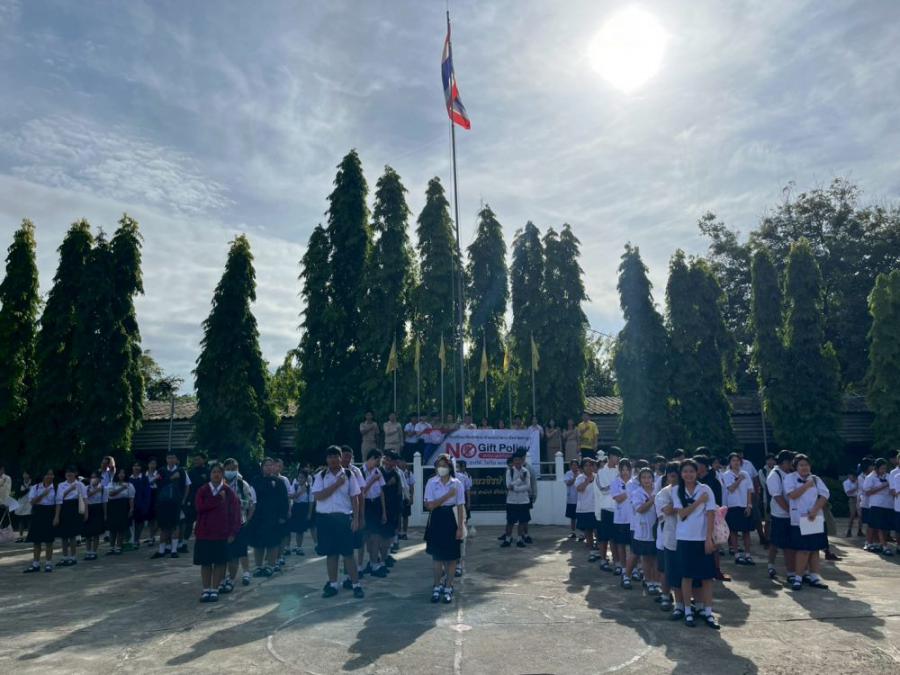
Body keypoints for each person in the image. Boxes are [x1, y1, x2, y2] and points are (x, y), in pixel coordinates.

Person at [671, 459, 720, 629]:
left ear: (696, 472)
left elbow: (711, 514)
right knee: (687, 576)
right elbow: (682, 514)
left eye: (691, 471)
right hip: (685, 538)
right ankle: (687, 611)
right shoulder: (677, 490)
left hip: (701, 539)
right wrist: (699, 501)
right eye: (685, 471)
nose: (688, 474)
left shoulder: (705, 489)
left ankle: (708, 612)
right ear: (681, 473)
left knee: (707, 577)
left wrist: (709, 538)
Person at [313, 445, 364, 599]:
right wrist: (336, 484)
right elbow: (318, 496)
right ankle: (333, 584)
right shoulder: (321, 476)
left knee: (348, 553)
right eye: (330, 457)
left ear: (341, 458)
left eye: (336, 456)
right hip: (325, 519)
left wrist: (356, 518)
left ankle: (356, 585)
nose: (333, 460)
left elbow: (355, 497)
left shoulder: (349, 474)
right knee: (331, 553)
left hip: (343, 518)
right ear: (326, 459)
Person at [194, 463, 242, 603]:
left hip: (222, 533)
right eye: (214, 472)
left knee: (220, 562)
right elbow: (199, 507)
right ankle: (206, 589)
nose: (216, 474)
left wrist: (233, 532)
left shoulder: (228, 491)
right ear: (210, 474)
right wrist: (218, 499)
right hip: (204, 532)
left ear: (222, 474)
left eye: (219, 472)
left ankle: (215, 589)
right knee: (206, 562)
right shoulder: (203, 490)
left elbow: (236, 514)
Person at [784, 454, 830, 590]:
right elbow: (792, 495)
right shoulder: (790, 478)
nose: (804, 467)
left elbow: (825, 494)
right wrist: (807, 485)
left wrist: (815, 510)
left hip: (814, 517)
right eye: (801, 465)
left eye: (806, 465)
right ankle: (798, 578)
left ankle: (814, 576)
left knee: (814, 548)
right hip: (799, 518)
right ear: (796, 467)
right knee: (803, 549)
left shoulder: (815, 478)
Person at [424, 454, 466, 603]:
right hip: (437, 519)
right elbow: (430, 506)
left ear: (450, 467)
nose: (441, 468)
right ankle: (437, 586)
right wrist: (447, 495)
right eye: (439, 465)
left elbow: (460, 506)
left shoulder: (457, 484)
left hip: (451, 519)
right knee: (437, 557)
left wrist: (460, 527)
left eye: (444, 465)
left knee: (452, 558)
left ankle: (448, 587)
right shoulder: (431, 482)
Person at [250, 458, 290, 577]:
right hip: (258, 517)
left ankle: (270, 566)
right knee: (258, 543)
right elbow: (251, 498)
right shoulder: (256, 480)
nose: (268, 467)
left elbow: (284, 500)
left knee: (272, 542)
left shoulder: (279, 482)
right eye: (266, 465)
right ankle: (258, 567)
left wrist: (283, 516)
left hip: (274, 517)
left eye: (270, 465)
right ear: (262, 467)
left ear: (274, 467)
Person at [694, 455, 729, 582]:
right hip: (696, 516)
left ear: (704, 466)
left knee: (713, 544)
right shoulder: (693, 481)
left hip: (711, 515)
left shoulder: (713, 481)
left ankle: (716, 570)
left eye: (697, 464)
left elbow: (717, 501)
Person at [223, 458, 256, 588]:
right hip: (224, 523)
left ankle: (246, 572)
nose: (231, 471)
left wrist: (237, 501)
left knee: (242, 549)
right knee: (230, 552)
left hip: (240, 521)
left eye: (234, 469)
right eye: (228, 469)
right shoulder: (220, 483)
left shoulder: (242, 484)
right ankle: (231, 576)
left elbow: (250, 503)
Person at [626, 467, 659, 593]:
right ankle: (647, 580)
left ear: (653, 479)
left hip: (656, 528)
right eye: (644, 477)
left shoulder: (658, 491)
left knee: (654, 557)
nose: (647, 480)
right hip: (642, 528)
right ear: (640, 480)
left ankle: (655, 582)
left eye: (649, 477)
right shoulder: (637, 493)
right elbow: (640, 509)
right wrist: (652, 500)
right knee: (644, 557)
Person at [765, 450, 796, 583]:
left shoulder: (790, 473)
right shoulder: (775, 475)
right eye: (791, 462)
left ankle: (791, 571)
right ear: (785, 462)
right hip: (780, 515)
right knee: (776, 543)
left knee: (789, 544)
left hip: (792, 514)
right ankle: (772, 566)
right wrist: (789, 510)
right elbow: (777, 496)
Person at [654, 463, 682, 613]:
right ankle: (665, 595)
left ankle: (684, 599)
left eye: (677, 475)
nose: (675, 478)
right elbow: (668, 511)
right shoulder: (662, 494)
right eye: (672, 475)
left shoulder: (689, 490)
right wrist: (682, 502)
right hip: (666, 537)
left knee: (682, 570)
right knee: (665, 569)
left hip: (685, 537)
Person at [152, 452, 188, 559]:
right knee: (164, 527)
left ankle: (174, 550)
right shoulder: (161, 470)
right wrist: (171, 478)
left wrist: (184, 499)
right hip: (163, 503)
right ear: (166, 459)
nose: (171, 460)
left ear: (176, 460)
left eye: (173, 458)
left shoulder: (181, 471)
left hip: (176, 503)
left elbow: (187, 486)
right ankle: (161, 550)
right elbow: (153, 482)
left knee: (175, 526)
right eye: (169, 458)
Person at [723, 452, 756, 565]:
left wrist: (749, 505)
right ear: (730, 462)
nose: (736, 462)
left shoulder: (745, 473)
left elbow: (749, 490)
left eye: (737, 460)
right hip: (733, 505)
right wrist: (739, 479)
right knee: (734, 531)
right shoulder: (727, 474)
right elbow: (731, 489)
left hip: (744, 505)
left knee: (746, 531)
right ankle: (737, 554)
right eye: (733, 460)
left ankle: (748, 555)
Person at [340, 446, 367, 580]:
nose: (347, 459)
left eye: (350, 457)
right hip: (338, 513)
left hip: (352, 512)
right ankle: (343, 576)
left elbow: (361, 494)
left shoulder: (355, 471)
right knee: (340, 548)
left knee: (353, 545)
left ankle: (354, 571)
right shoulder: (331, 472)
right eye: (345, 456)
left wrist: (361, 516)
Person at [361, 449, 388, 577]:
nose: (378, 463)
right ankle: (368, 563)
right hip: (365, 505)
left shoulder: (378, 471)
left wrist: (384, 512)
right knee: (367, 537)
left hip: (376, 504)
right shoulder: (360, 472)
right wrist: (372, 480)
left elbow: (381, 492)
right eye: (377, 460)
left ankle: (374, 563)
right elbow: (361, 492)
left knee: (376, 536)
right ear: (371, 458)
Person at [24, 469, 57, 573]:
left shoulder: (56, 488)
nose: (49, 476)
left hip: (50, 513)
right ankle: (36, 564)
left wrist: (56, 517)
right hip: (38, 513)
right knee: (36, 541)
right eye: (47, 474)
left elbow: (58, 504)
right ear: (43, 476)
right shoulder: (36, 487)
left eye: (51, 474)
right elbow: (32, 502)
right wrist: (43, 494)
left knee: (49, 541)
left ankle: (48, 564)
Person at [53, 466, 85, 566]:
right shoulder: (61, 485)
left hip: (74, 509)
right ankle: (64, 557)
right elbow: (59, 499)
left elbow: (85, 499)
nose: (69, 474)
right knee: (64, 536)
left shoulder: (80, 484)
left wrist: (86, 513)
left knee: (72, 535)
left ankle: (73, 557)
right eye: (67, 472)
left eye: (71, 472)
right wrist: (57, 516)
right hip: (64, 509)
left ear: (75, 473)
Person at [594, 447, 619, 571]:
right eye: (616, 456)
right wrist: (616, 485)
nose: (618, 458)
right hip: (604, 508)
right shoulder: (601, 472)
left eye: (619, 456)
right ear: (609, 457)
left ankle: (616, 561)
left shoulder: (619, 471)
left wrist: (616, 486)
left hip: (617, 509)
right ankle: (603, 560)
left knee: (614, 538)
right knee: (603, 537)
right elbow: (604, 490)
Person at [863, 458, 894, 556]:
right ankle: (880, 545)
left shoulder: (888, 476)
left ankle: (881, 544)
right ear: (876, 468)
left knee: (885, 527)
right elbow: (867, 492)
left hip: (888, 505)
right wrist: (883, 486)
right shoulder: (870, 477)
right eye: (882, 468)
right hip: (876, 504)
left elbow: (892, 488)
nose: (884, 470)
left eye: (885, 468)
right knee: (876, 525)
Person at [501, 450, 531, 548]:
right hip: (511, 501)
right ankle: (507, 539)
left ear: (522, 461)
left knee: (522, 522)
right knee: (510, 522)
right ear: (513, 461)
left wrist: (516, 488)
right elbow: (508, 486)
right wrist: (520, 480)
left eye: (519, 460)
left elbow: (527, 486)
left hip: (523, 501)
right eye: (515, 460)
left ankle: (519, 539)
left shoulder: (526, 471)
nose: (517, 462)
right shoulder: (510, 471)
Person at [181, 452, 209, 553]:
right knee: (189, 523)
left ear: (204, 460)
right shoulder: (191, 472)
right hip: (192, 501)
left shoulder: (209, 472)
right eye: (195, 459)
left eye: (198, 459)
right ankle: (184, 544)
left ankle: (204, 543)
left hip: (205, 501)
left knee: (204, 523)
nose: (196, 461)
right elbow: (187, 487)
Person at [380, 451, 404, 566]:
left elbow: (399, 492)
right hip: (381, 507)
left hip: (393, 508)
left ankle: (387, 554)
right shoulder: (379, 472)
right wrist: (388, 484)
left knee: (390, 533)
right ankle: (380, 557)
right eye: (388, 460)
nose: (390, 463)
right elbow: (378, 489)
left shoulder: (396, 474)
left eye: (393, 461)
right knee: (381, 534)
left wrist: (399, 508)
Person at [610, 458, 633, 576]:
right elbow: (618, 499)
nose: (625, 472)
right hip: (620, 518)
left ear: (630, 470)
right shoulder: (615, 482)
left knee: (633, 546)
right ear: (619, 470)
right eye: (623, 470)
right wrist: (628, 492)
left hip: (633, 519)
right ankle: (623, 567)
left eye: (627, 469)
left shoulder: (635, 482)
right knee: (621, 544)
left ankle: (635, 568)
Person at [574, 456, 599, 563]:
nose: (589, 468)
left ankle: (598, 549)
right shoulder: (580, 478)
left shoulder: (597, 477)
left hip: (596, 508)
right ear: (582, 468)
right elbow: (579, 489)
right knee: (588, 531)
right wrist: (587, 481)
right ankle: (591, 551)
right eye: (586, 466)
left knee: (598, 531)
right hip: (584, 509)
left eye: (590, 465)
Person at [105, 469, 134, 555]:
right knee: (112, 528)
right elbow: (111, 494)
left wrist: (131, 508)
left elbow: (131, 498)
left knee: (121, 528)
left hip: (123, 506)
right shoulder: (112, 484)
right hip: (113, 506)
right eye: (120, 473)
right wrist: (122, 488)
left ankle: (119, 546)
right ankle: (111, 547)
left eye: (123, 473)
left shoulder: (129, 485)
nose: (121, 475)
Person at [289, 467, 314, 555]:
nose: (300, 479)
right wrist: (300, 492)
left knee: (300, 530)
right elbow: (291, 496)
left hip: (304, 508)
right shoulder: (295, 486)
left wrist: (309, 513)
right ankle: (288, 547)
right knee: (291, 529)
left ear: (306, 478)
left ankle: (299, 547)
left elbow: (311, 502)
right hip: (296, 507)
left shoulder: (309, 488)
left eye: (302, 477)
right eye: (299, 477)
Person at [454, 459, 472, 575]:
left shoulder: (462, 478)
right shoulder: (436, 480)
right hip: (445, 513)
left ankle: (459, 564)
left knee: (460, 538)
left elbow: (467, 492)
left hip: (459, 510)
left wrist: (468, 504)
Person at [82, 471, 106, 561]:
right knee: (88, 533)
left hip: (98, 509)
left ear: (99, 479)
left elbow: (104, 502)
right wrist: (95, 491)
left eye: (95, 477)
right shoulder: (86, 488)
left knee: (96, 533)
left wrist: (105, 514)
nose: (93, 479)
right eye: (92, 477)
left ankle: (94, 552)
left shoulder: (103, 489)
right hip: (88, 509)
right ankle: (88, 551)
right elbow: (85, 497)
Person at [129, 462, 151, 549]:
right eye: (134, 465)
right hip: (130, 505)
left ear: (141, 468)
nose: (136, 467)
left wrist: (145, 505)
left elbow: (147, 493)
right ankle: (131, 540)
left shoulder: (144, 479)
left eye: (138, 466)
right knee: (130, 523)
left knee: (139, 523)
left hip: (141, 505)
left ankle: (136, 539)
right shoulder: (129, 478)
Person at [858, 458, 874, 550]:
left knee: (873, 524)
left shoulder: (874, 475)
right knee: (869, 523)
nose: (873, 467)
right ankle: (868, 542)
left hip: (872, 502)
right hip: (865, 502)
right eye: (871, 465)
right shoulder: (861, 477)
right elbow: (866, 490)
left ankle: (872, 541)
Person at [13, 470, 33, 542]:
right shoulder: (19, 483)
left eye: (26, 474)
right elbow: (17, 494)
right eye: (24, 474)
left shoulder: (33, 483)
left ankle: (30, 537)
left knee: (29, 521)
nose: (25, 475)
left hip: (30, 504)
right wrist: (27, 490)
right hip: (21, 504)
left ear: (29, 475)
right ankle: (20, 537)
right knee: (21, 521)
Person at [563, 459, 580, 539]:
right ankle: (573, 532)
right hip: (571, 499)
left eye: (576, 465)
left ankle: (582, 533)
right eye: (573, 465)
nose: (574, 467)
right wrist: (574, 478)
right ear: (570, 466)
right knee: (573, 517)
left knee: (580, 517)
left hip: (580, 499)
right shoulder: (568, 473)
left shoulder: (581, 473)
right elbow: (568, 483)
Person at [145, 457, 159, 545]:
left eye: (154, 464)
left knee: (157, 518)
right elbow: (146, 485)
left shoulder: (158, 473)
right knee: (150, 519)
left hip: (156, 495)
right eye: (151, 463)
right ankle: (151, 536)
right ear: (148, 464)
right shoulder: (145, 474)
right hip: (148, 496)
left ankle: (152, 535)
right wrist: (153, 480)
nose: (152, 465)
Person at [399, 457, 414, 540]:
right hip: (399, 497)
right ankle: (398, 533)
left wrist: (411, 497)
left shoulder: (409, 473)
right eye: (401, 462)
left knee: (406, 516)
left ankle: (404, 533)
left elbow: (412, 486)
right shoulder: (397, 472)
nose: (402, 464)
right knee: (398, 516)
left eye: (403, 462)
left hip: (406, 497)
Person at [842, 472, 860, 537]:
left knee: (861, 516)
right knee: (852, 515)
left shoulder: (858, 480)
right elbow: (848, 492)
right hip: (852, 499)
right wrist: (856, 487)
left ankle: (860, 531)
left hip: (859, 498)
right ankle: (849, 530)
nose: (854, 478)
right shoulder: (846, 482)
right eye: (853, 476)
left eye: (855, 477)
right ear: (849, 476)